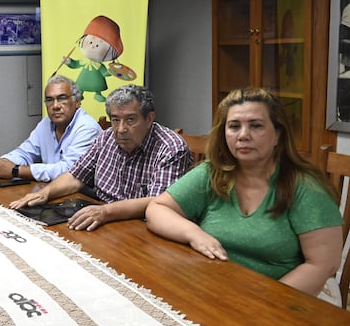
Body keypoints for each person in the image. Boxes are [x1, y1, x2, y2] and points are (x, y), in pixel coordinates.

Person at [145, 88, 343, 300]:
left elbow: (323, 265)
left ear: (277, 134)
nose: (243, 135)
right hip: (221, 291)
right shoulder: (213, 173)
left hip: (289, 299)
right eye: (234, 126)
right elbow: (157, 209)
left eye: (256, 126)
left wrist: (260, 304)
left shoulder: (306, 188)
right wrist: (194, 234)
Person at [9, 84, 192, 231]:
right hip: (102, 220)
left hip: (143, 228)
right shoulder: (106, 138)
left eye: (130, 120)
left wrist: (105, 212)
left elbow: (158, 203)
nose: (120, 129)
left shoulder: (170, 148)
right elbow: (75, 176)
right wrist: (44, 193)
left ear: (149, 118)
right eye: (115, 120)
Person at [0, 75, 101, 182]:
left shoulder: (87, 128)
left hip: (84, 196)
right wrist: (2, 164)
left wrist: (15, 170)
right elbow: (26, 152)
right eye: (49, 100)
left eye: (62, 98)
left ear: (77, 102)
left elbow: (68, 171)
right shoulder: (46, 123)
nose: (55, 106)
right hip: (52, 190)